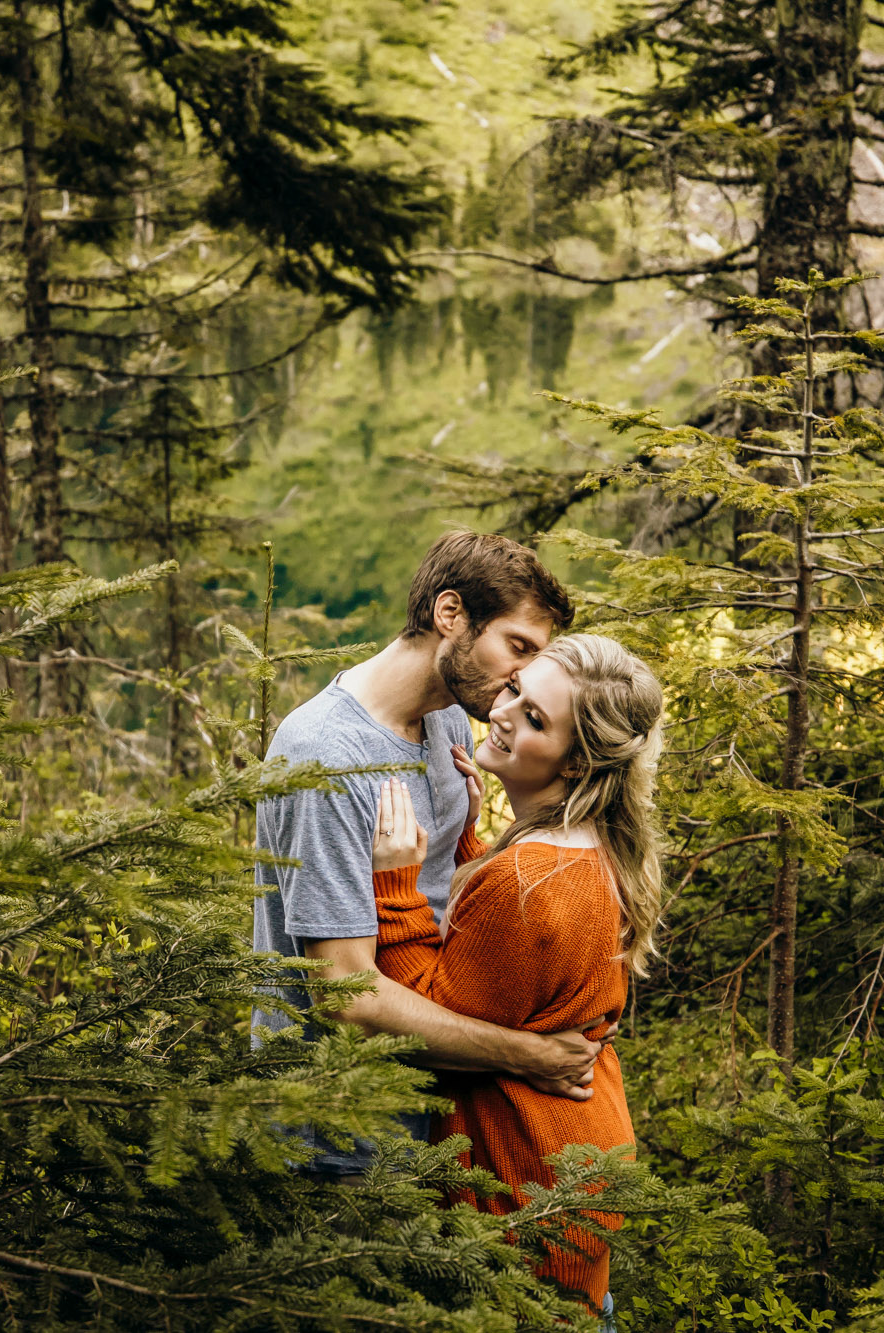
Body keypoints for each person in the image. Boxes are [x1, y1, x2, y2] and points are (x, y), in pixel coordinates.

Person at [252, 531, 607, 1176]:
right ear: (450, 616)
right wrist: (527, 1055)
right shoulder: (326, 759)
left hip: (431, 1112)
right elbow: (348, 1000)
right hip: (337, 1135)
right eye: (517, 647)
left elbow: (439, 897)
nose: (519, 680)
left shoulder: (446, 717)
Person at [367, 633, 664, 1314]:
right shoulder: (589, 849)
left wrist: (395, 887)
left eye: (535, 718)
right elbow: (512, 975)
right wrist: (472, 843)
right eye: (514, 690)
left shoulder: (528, 882)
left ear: (576, 761)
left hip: (522, 1194)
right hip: (568, 1174)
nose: (503, 711)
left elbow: (426, 1017)